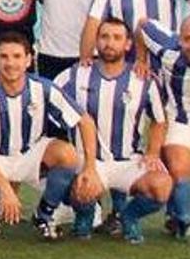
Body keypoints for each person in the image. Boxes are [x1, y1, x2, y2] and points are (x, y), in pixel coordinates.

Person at [0, 32, 96, 241]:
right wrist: (6, 189)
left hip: (31, 153)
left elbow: (85, 121)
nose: (11, 63)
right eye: (4, 57)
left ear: (28, 60)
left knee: (67, 154)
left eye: (17, 56)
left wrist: (90, 167)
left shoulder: (43, 88)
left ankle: (44, 215)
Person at [57, 18, 172, 244]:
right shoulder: (73, 75)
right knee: (79, 184)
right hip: (89, 161)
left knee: (162, 185)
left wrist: (153, 153)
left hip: (128, 160)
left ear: (128, 44)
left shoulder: (144, 79)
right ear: (97, 41)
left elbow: (159, 120)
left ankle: (128, 216)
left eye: (117, 38)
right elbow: (50, 105)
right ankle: (85, 215)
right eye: (104, 37)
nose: (110, 43)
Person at [140, 16, 190, 239]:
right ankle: (184, 221)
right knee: (179, 170)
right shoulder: (168, 50)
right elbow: (142, 25)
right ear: (180, 39)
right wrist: (141, 60)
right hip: (177, 120)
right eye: (189, 39)